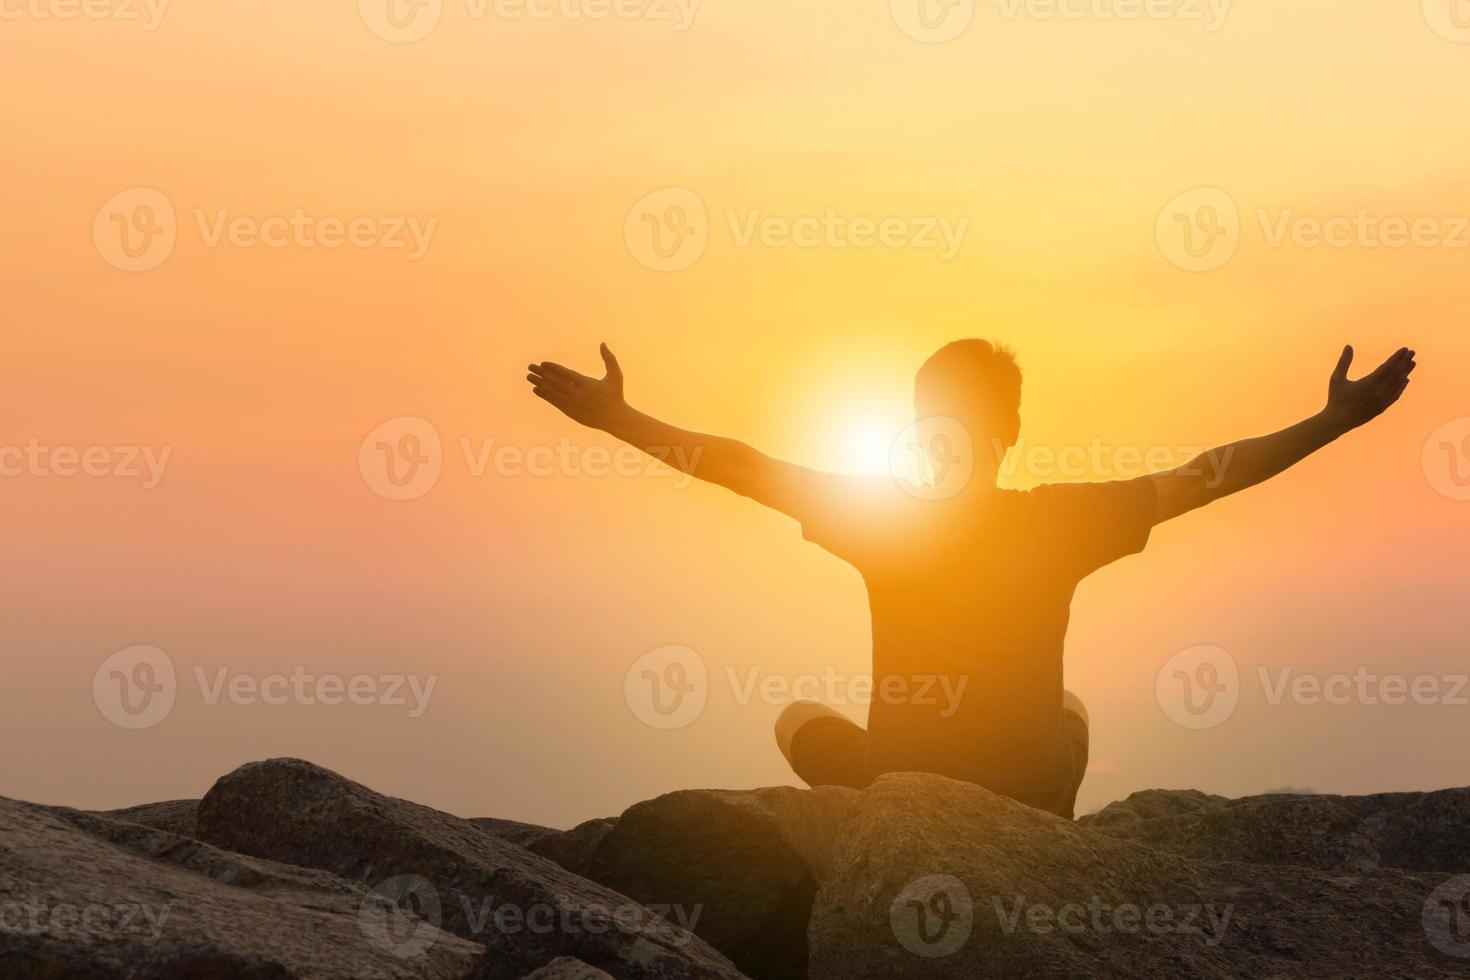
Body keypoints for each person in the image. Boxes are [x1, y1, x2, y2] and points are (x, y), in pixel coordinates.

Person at [527, 340, 1416, 817]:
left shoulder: (877, 519)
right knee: (1072, 716)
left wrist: (622, 421)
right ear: (1013, 430)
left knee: (797, 721)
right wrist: (1331, 422)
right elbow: (1210, 473)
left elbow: (741, 466)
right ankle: (1045, 806)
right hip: (1027, 798)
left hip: (896, 791)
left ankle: (868, 810)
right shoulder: (1063, 520)